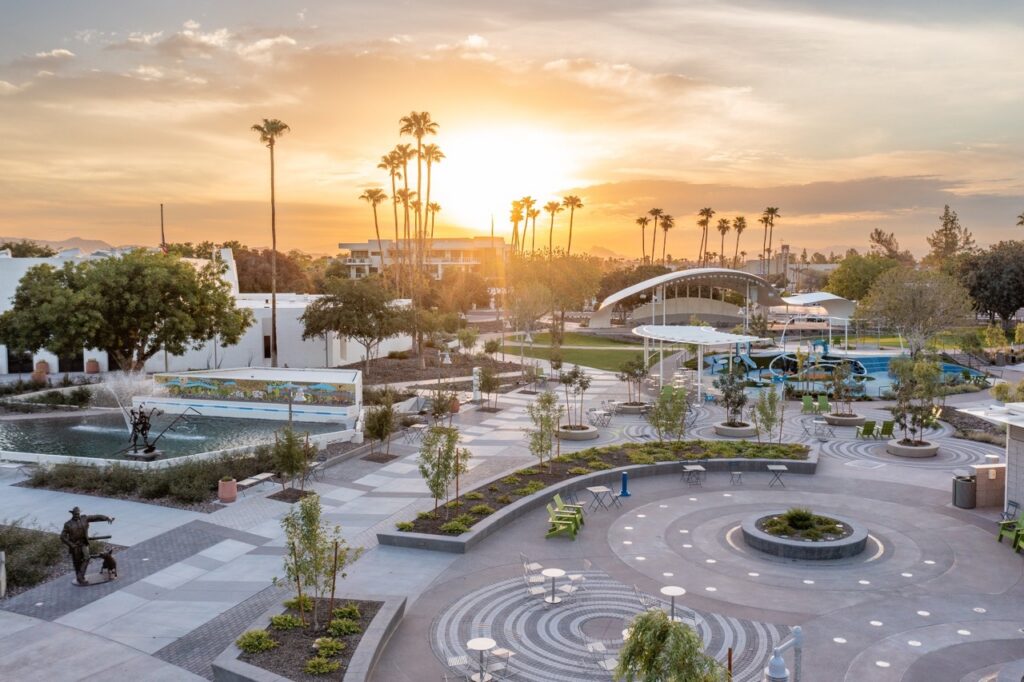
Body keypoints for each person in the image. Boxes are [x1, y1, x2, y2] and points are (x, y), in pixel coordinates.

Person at [60, 507, 114, 585]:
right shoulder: (68, 524)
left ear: (79, 513)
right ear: (72, 514)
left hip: (84, 543)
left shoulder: (84, 518)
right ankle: (80, 578)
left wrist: (107, 518)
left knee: (86, 557)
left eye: (78, 514)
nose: (77, 515)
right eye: (75, 514)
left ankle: (80, 577)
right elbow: (62, 537)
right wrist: (71, 545)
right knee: (77, 562)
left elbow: (96, 517)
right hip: (75, 546)